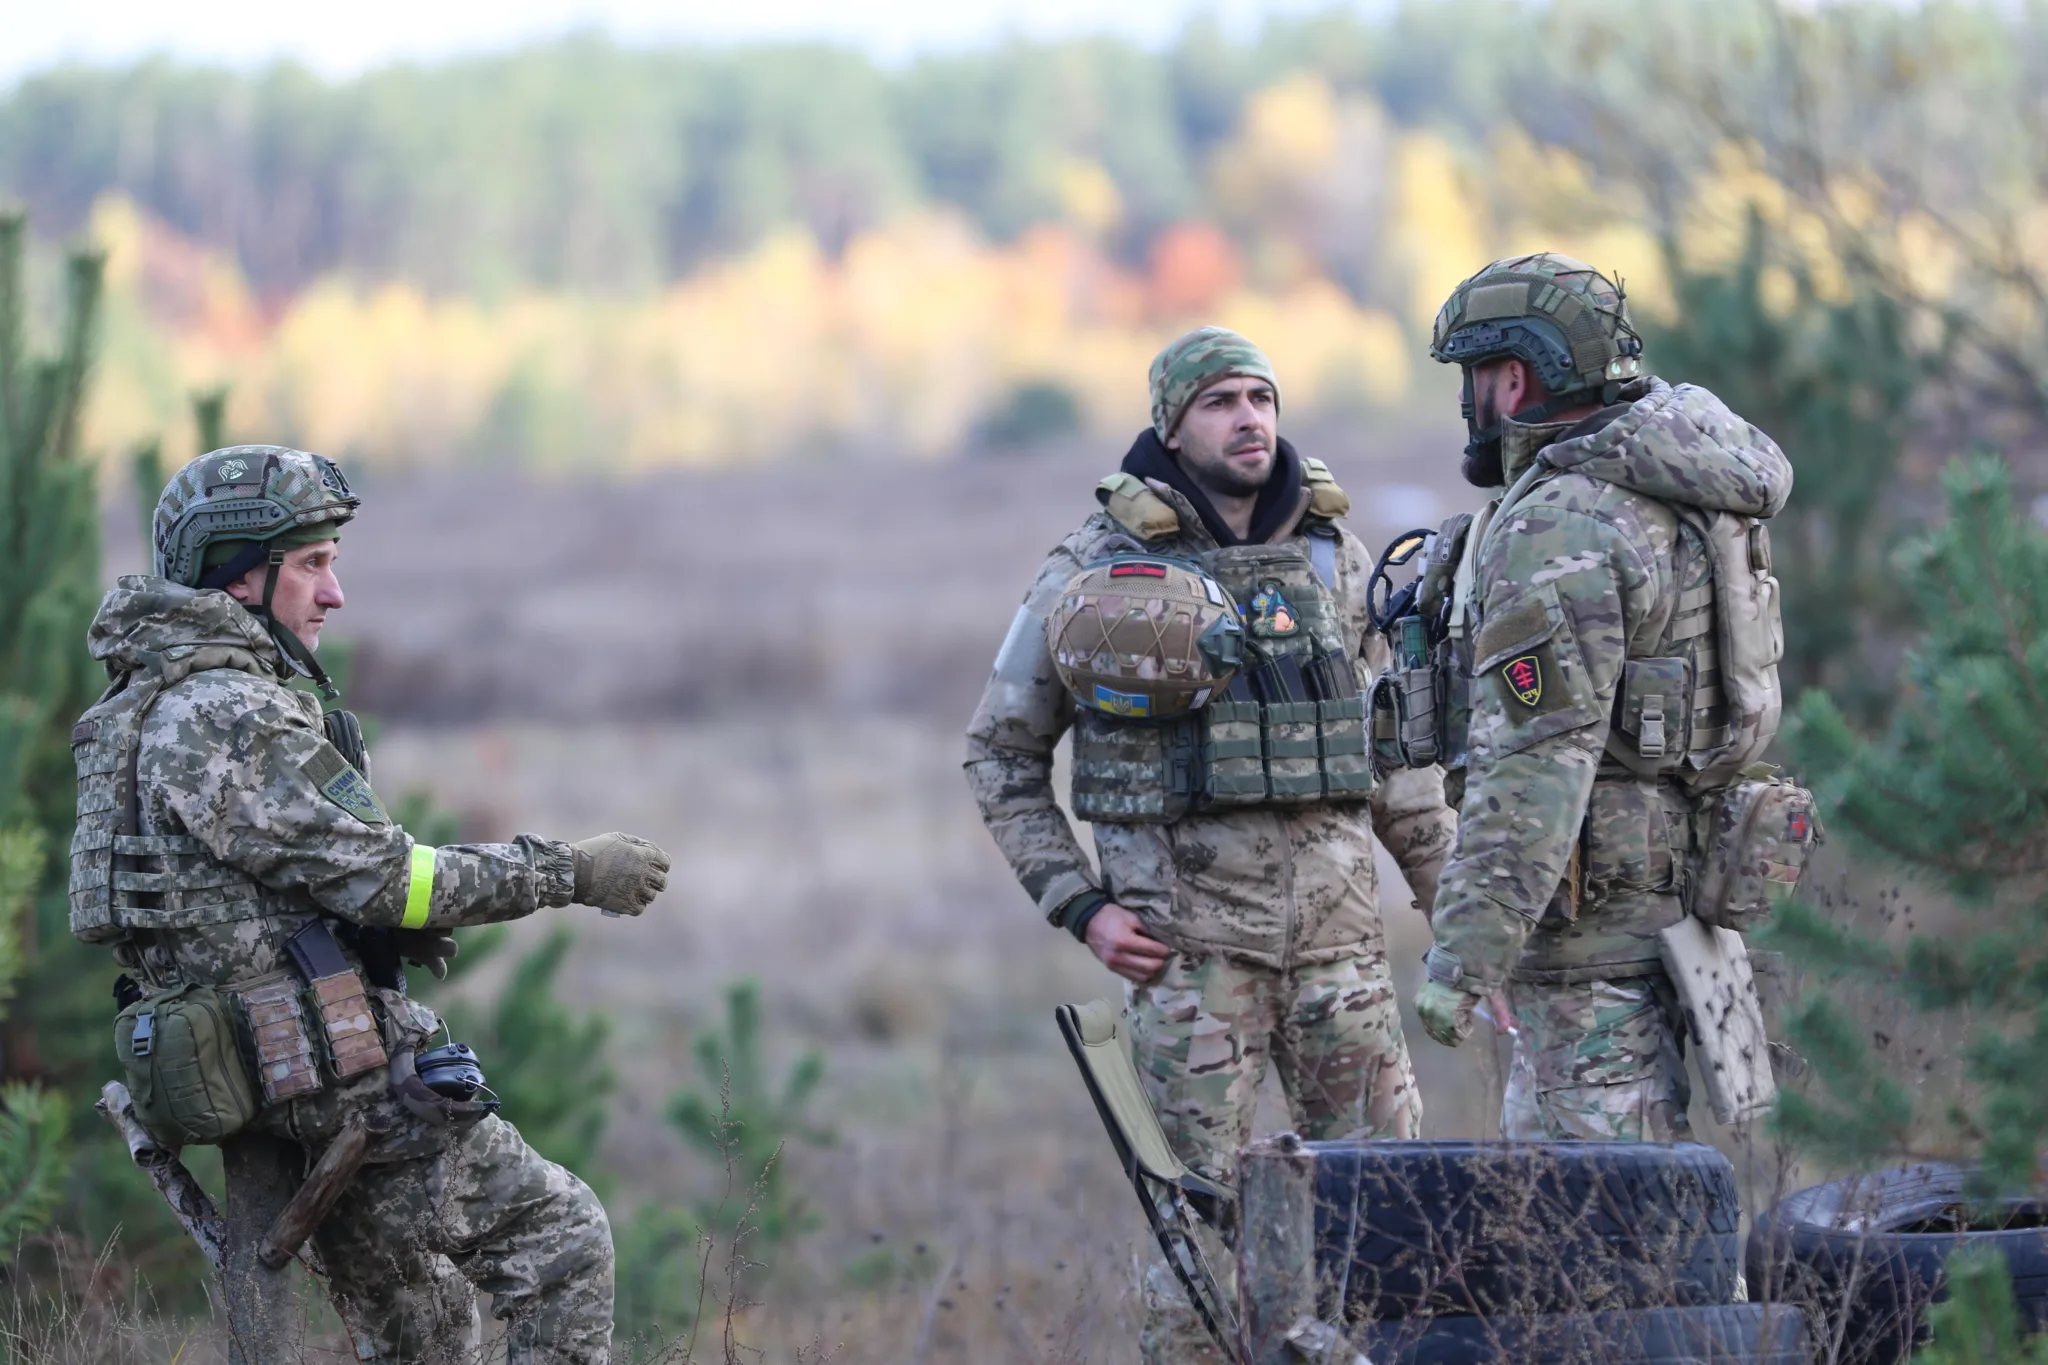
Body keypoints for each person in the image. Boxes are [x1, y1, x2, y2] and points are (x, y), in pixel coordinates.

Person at [71, 446, 673, 1364]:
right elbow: (393, 878)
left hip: (259, 1072)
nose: (335, 592)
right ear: (240, 576)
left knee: (423, 1331)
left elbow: (261, 891)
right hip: (326, 1083)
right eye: (312, 563)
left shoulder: (157, 699)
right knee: (563, 1242)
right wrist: (573, 870)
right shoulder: (232, 714)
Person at [964, 328, 1454, 1363]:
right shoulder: (1096, 568)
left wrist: (1452, 906)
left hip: (1343, 960)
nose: (1248, 419)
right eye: (1221, 401)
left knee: (1390, 1227)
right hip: (1191, 967)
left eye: (1261, 398)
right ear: (1171, 425)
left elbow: (1392, 759)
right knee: (1196, 1254)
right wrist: (1080, 906)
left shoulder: (1332, 554)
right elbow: (1000, 754)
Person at [1406, 253, 1794, 1142]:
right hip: (1681, 903)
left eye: (1473, 376)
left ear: (1513, 378)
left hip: (1593, 940)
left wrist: (1464, 955)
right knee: (1658, 1173)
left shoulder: (1565, 522)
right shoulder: (1681, 487)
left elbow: (1534, 764)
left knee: (1590, 1204)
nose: (1468, 401)